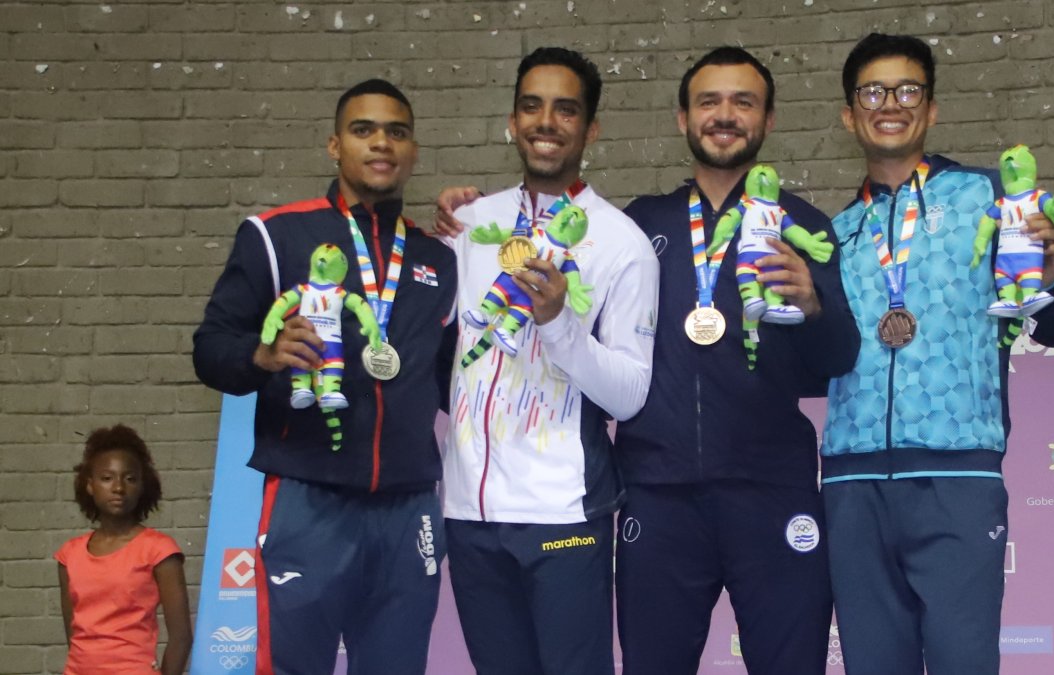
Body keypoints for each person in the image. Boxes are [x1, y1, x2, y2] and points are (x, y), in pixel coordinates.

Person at [823, 33, 1054, 674]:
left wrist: (1048, 281)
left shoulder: (986, 198)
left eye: (908, 90)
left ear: (931, 109)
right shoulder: (834, 234)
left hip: (957, 477)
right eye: (873, 92)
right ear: (849, 114)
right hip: (852, 484)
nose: (892, 103)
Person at [192, 79, 456, 674]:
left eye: (397, 131)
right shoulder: (276, 235)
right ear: (335, 146)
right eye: (364, 130)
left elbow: (451, 380)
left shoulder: (437, 258)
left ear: (413, 150)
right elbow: (210, 350)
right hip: (308, 499)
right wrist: (261, 357)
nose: (381, 143)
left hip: (408, 506)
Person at [611, 47, 859, 674]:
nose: (725, 115)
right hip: (657, 494)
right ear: (682, 119)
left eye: (743, 102)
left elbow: (838, 360)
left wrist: (813, 306)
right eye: (709, 101)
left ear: (768, 120)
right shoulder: (638, 226)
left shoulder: (804, 226)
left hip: (773, 491)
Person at [437, 47, 658, 675]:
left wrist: (561, 324)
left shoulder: (624, 243)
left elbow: (630, 394)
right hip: (468, 514)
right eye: (532, 106)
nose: (546, 122)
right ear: (512, 120)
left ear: (590, 129)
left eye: (566, 110)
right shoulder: (469, 225)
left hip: (563, 516)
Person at [56, 424, 192, 675]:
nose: (118, 488)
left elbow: (181, 637)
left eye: (130, 479)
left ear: (142, 486)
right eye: (107, 478)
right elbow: (73, 633)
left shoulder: (158, 550)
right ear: (89, 484)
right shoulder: (69, 555)